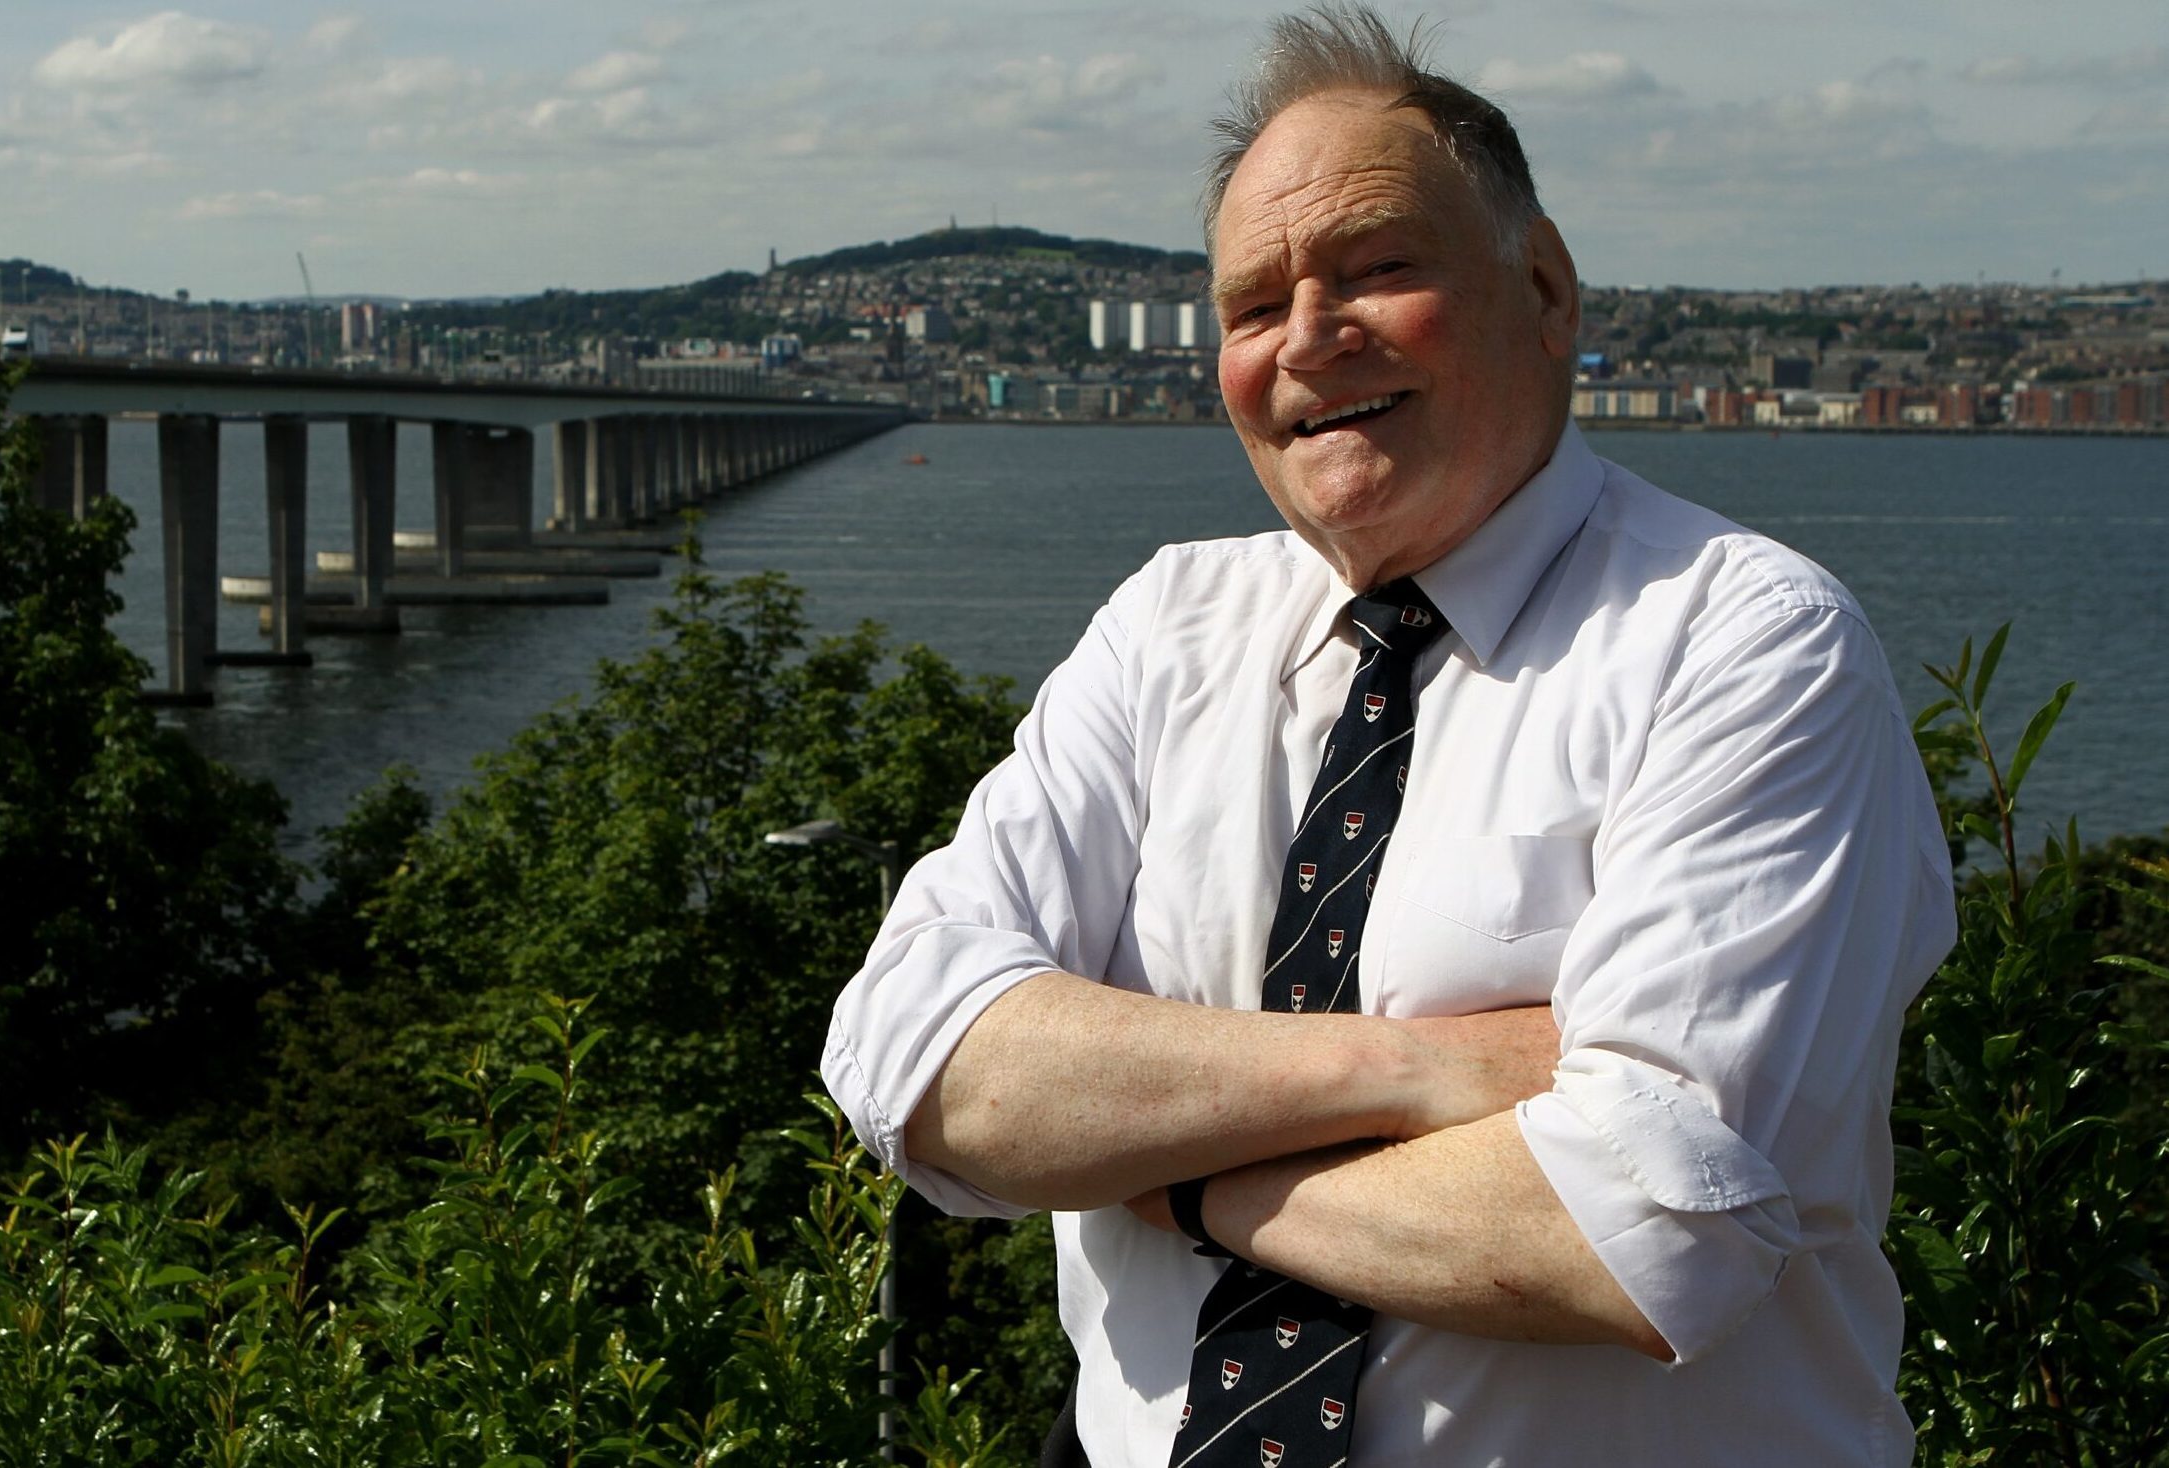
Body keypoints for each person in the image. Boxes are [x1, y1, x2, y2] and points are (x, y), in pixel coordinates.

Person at [819, 7, 1956, 1466]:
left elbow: (1643, 1231)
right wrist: (1420, 1076)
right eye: (1250, 305)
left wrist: (1167, 1177)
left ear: (1542, 287)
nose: (1308, 339)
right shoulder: (1170, 627)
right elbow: (913, 1059)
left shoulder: (1744, 641)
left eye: (1378, 270)